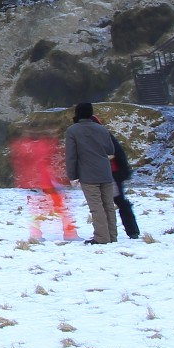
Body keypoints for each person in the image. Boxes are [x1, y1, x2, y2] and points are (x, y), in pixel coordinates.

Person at [64, 103, 120, 245]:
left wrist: (72, 176)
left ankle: (101, 237)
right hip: (105, 172)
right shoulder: (101, 129)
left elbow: (71, 156)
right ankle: (112, 236)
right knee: (108, 205)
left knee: (96, 207)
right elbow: (110, 149)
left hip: (88, 174)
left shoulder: (72, 131)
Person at [9, 135, 77, 242]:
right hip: (47, 183)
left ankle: (35, 235)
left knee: (35, 210)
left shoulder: (21, 147)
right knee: (62, 209)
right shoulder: (44, 146)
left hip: (31, 184)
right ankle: (70, 233)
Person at [111, 131, 143, 241]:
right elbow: (120, 154)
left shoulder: (100, 136)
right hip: (115, 174)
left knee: (116, 202)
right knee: (121, 202)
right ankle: (132, 230)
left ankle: (110, 233)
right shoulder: (106, 135)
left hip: (111, 175)